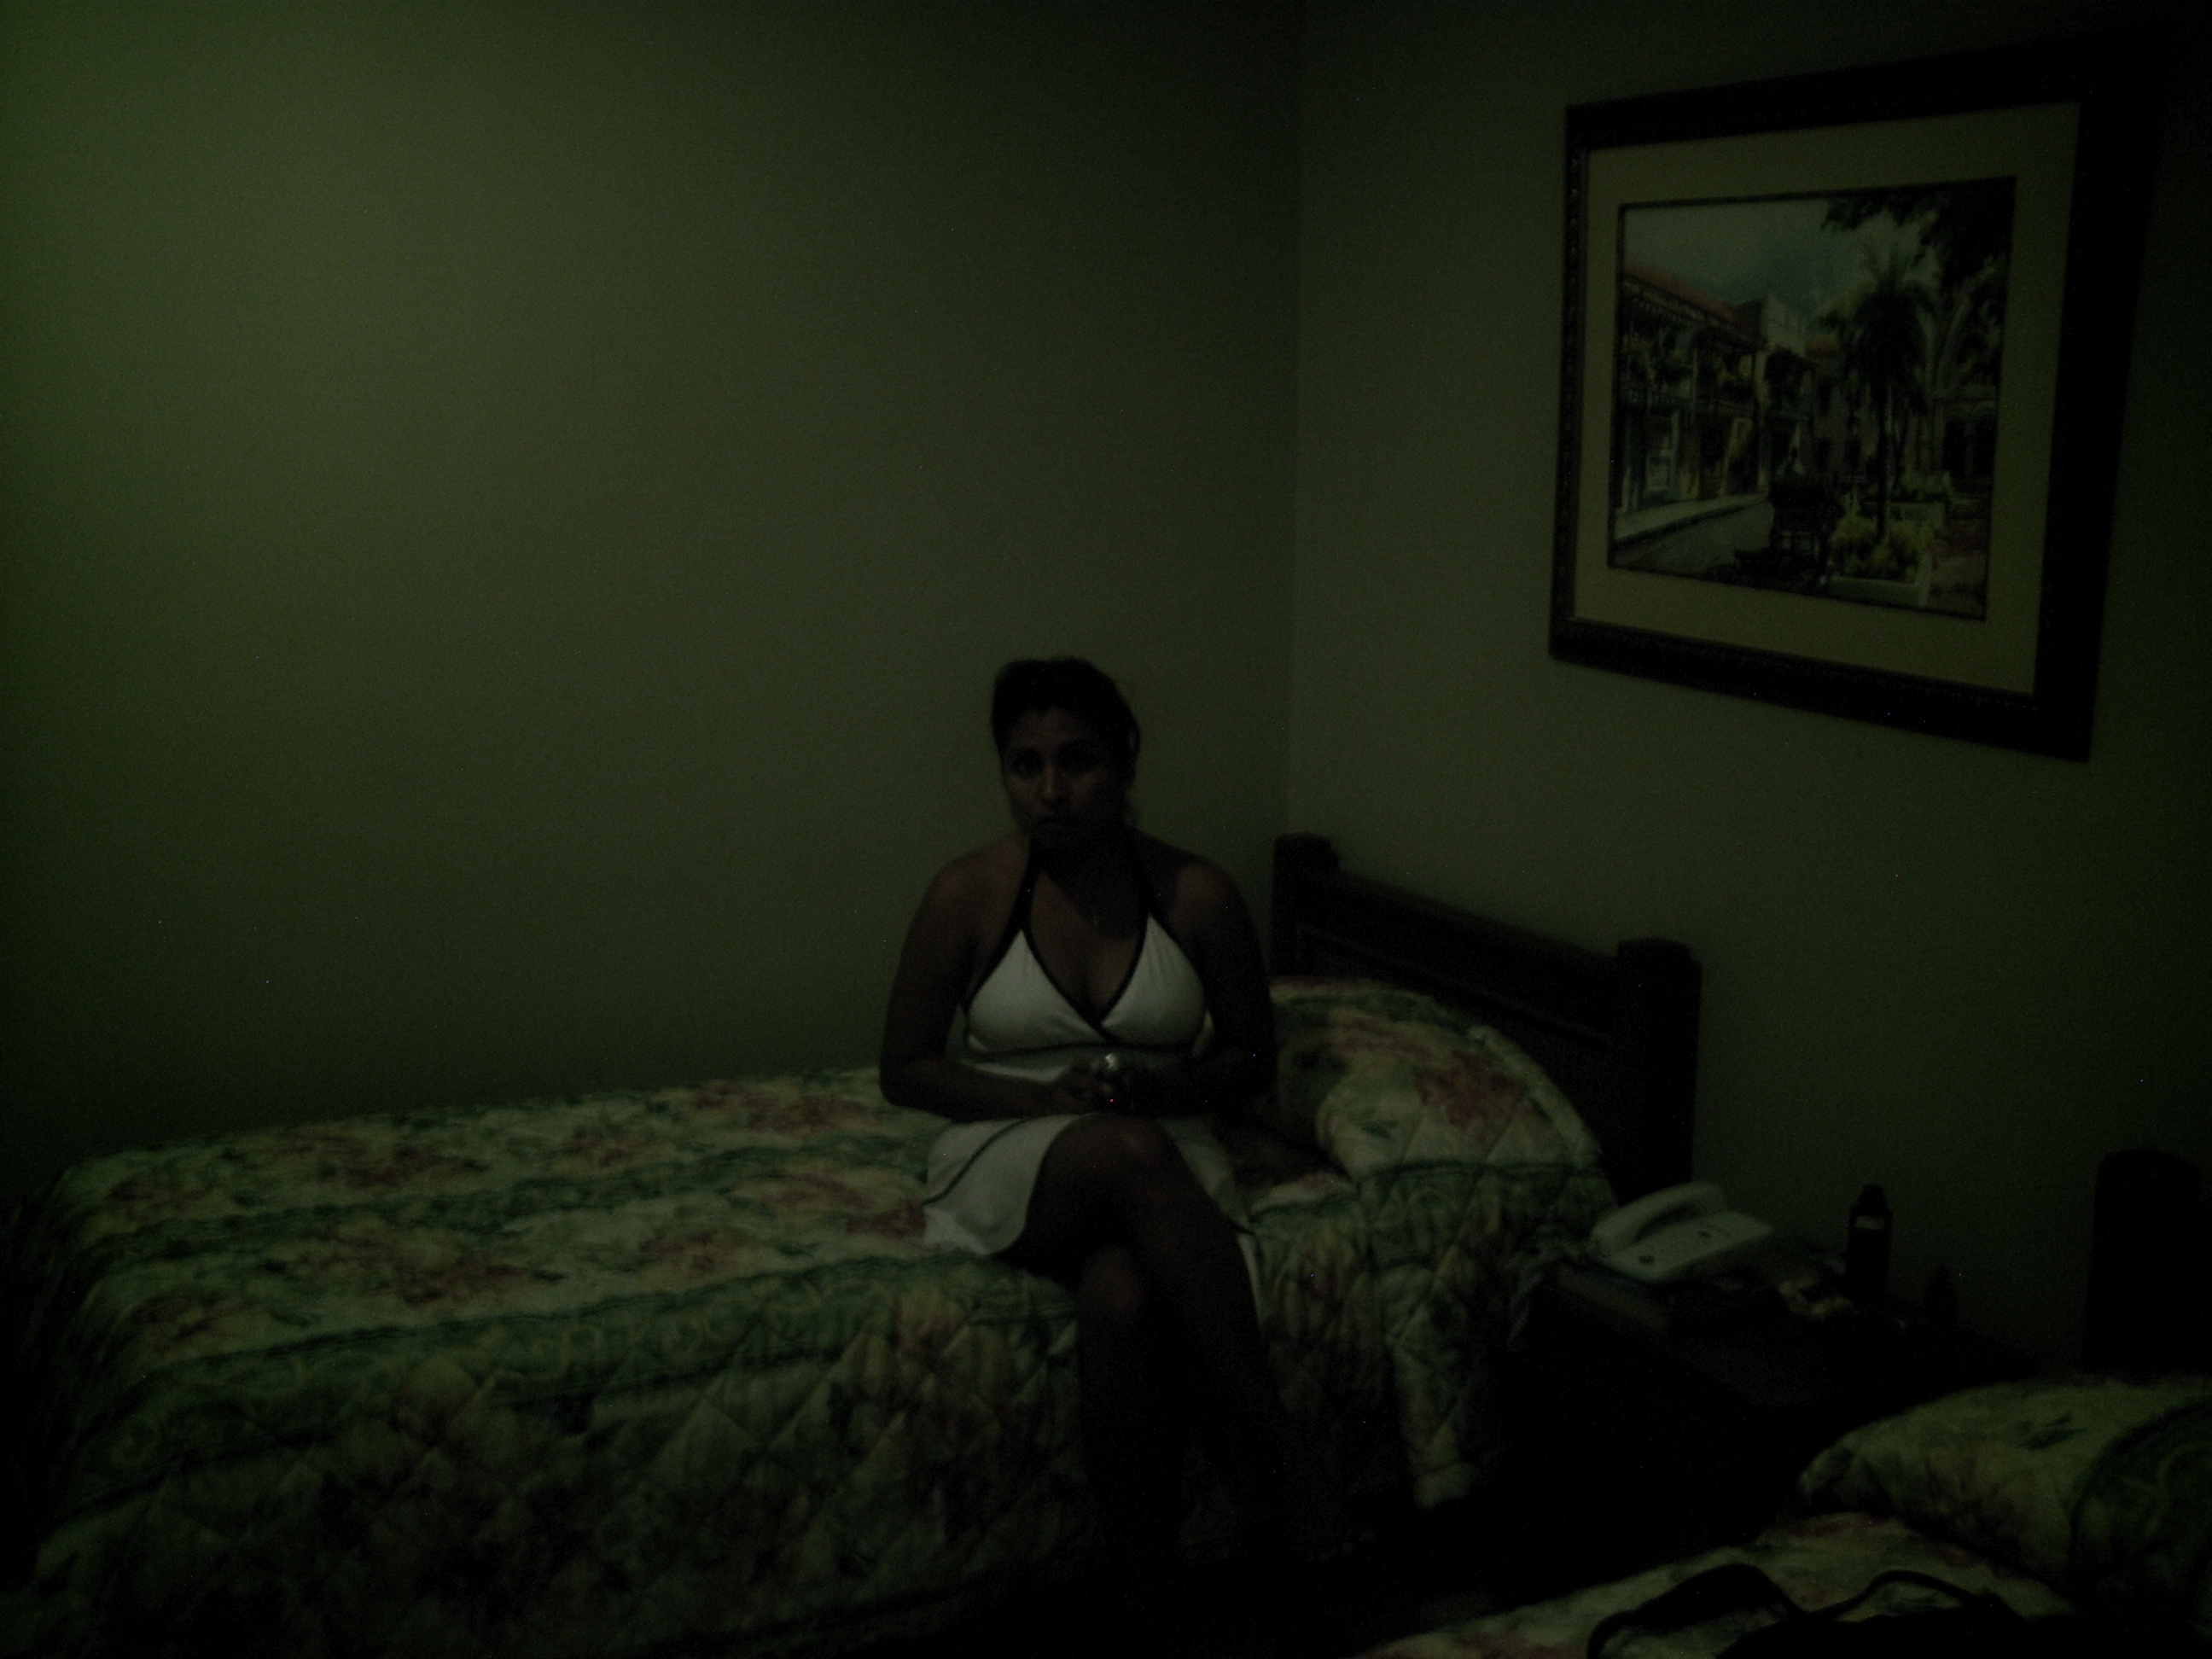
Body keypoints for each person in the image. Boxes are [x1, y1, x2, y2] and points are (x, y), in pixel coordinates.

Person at [878, 658, 1360, 1623]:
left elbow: (1253, 1057)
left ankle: (1146, 1600)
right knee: (1126, 1151)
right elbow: (906, 1068)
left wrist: (1166, 1087)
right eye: (1025, 766)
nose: (1050, 791)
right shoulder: (968, 892)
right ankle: (1285, 1458)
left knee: (1125, 1298)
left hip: (1169, 1143)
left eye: (1079, 761)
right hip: (1011, 1145)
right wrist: (1041, 1102)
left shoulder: (1197, 894)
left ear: (1126, 764)